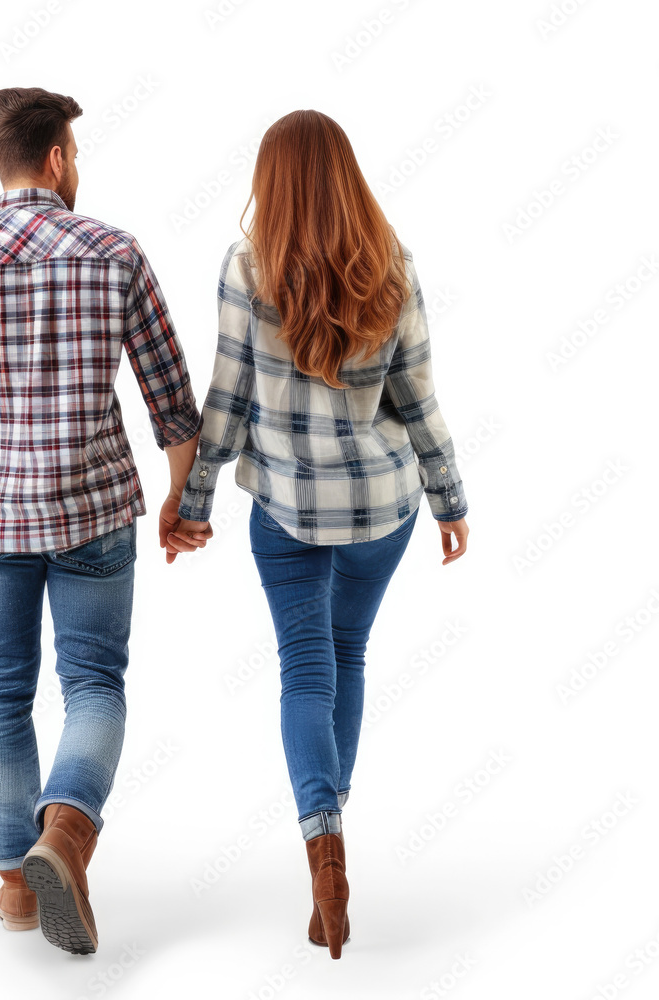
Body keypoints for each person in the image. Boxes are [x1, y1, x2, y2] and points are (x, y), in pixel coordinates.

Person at [0, 86, 211, 955]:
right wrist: (185, 500)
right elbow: (170, 396)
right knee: (94, 684)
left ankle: (16, 887)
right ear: (60, 158)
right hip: (96, 509)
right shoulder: (113, 251)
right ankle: (64, 834)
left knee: (1, 694)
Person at [168, 109, 471, 959]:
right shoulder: (392, 263)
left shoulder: (246, 267)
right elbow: (418, 400)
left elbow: (225, 401)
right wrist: (450, 499)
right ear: (347, 174)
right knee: (351, 656)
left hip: (289, 514)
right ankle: (334, 833)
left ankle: (322, 842)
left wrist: (194, 502)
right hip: (384, 508)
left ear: (272, 180)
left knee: (306, 667)